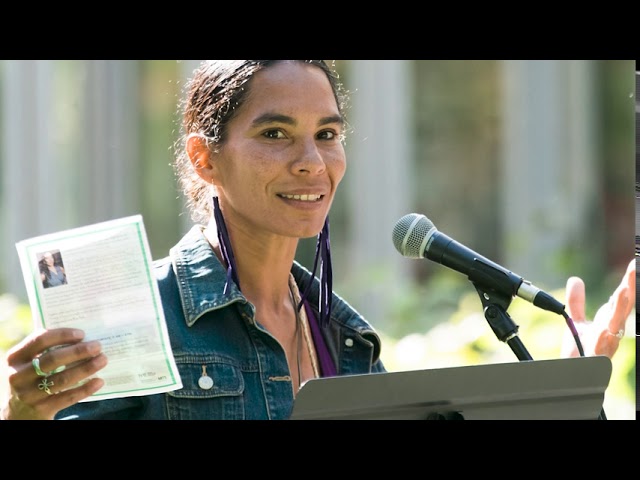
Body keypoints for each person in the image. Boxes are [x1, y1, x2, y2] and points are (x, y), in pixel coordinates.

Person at [0, 60, 635, 420]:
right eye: (276, 134)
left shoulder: (348, 340)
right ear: (205, 158)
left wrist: (569, 400)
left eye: (327, 135)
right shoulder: (135, 317)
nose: (312, 161)